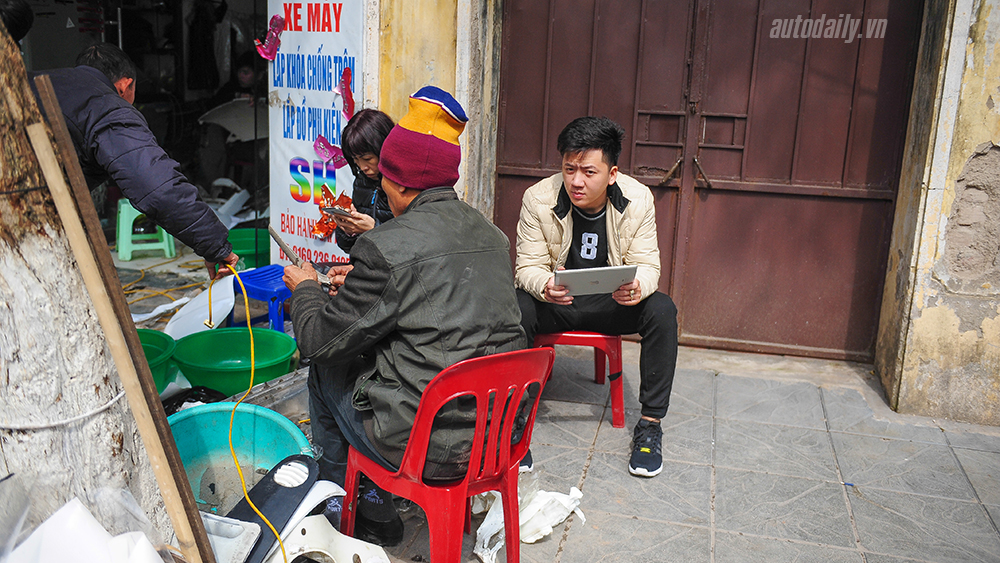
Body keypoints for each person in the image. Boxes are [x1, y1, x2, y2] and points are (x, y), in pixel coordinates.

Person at [282, 86, 525, 545]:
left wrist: (308, 290)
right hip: (498, 436)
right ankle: (363, 498)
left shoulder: (387, 246)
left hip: (431, 447)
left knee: (325, 368)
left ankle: (346, 501)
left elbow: (317, 340)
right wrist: (356, 284)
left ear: (398, 184)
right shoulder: (492, 234)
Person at [514, 116, 678, 478]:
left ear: (612, 173)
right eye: (569, 168)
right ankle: (514, 422)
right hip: (558, 303)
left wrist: (638, 288)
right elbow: (526, 266)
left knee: (662, 310)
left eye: (588, 171)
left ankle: (650, 425)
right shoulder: (538, 199)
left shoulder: (638, 200)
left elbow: (648, 265)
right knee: (515, 307)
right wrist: (543, 286)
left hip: (612, 305)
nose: (576, 181)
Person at [35, 43, 238, 278]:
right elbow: (158, 188)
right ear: (126, 85)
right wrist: (216, 247)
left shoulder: (34, 80)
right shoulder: (105, 106)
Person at [333, 109, 395, 253]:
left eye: (367, 159)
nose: (362, 167)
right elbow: (348, 247)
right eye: (356, 160)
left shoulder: (403, 185)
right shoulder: (362, 181)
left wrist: (374, 228)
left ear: (383, 149)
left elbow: (413, 247)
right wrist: (348, 229)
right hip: (366, 268)